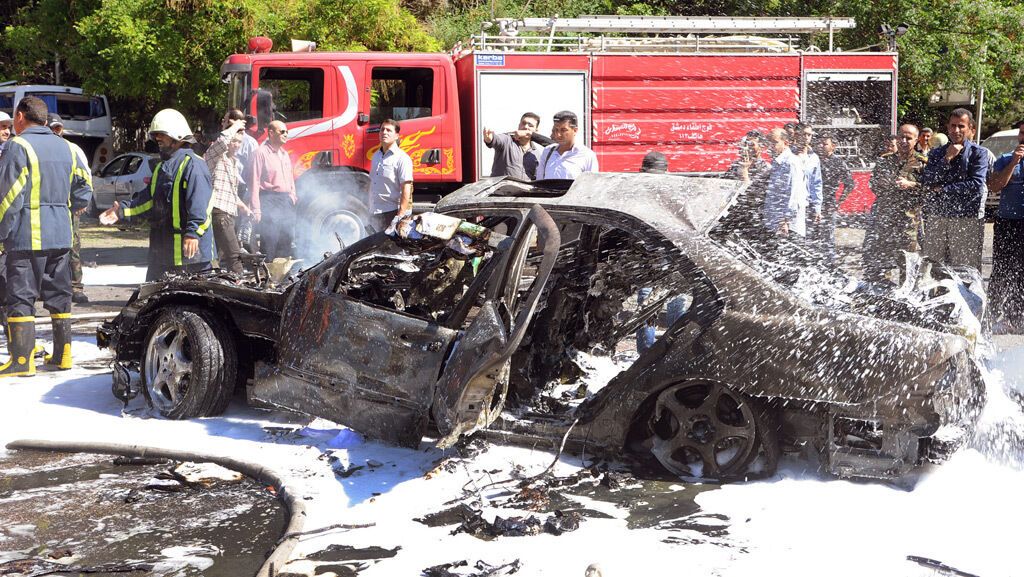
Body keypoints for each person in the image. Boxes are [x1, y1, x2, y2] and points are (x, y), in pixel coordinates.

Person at [0, 96, 91, 376]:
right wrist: (67, 209)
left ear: (19, 116)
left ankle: (22, 361)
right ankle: (63, 356)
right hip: (62, 236)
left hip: (27, 237)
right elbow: (84, 186)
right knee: (60, 296)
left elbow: (9, 196)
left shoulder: (19, 145)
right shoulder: (67, 146)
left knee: (21, 297)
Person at [101, 108, 214, 281]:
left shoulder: (194, 165)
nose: (157, 139)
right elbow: (150, 201)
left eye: (161, 134)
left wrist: (193, 233)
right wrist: (121, 211)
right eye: (155, 135)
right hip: (162, 255)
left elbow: (202, 206)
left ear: (177, 136)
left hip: (190, 258)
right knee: (152, 303)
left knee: (191, 306)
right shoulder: (163, 167)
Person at [920, 108, 988, 270]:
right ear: (948, 127)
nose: (956, 130)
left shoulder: (978, 154)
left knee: (964, 268)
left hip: (965, 218)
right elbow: (928, 180)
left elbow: (976, 185)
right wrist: (947, 158)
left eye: (961, 126)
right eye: (953, 126)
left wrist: (943, 189)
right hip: (937, 216)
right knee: (933, 266)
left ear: (971, 128)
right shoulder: (938, 153)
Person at [862, 126, 927, 283]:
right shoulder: (885, 160)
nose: (904, 141)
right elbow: (872, 185)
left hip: (908, 223)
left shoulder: (923, 163)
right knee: (881, 263)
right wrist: (881, 184)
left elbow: (931, 190)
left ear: (916, 140)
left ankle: (906, 300)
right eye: (901, 138)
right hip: (885, 221)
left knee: (908, 264)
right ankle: (883, 298)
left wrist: (912, 185)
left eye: (909, 138)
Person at [48, 114, 94, 304]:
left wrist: (81, 202)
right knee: (47, 247)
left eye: (58, 128)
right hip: (47, 207)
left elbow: (86, 177)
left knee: (72, 247)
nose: (55, 132)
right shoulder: (41, 149)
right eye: (52, 128)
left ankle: (76, 287)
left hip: (69, 208)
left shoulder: (72, 149)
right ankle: (49, 287)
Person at [986, 119, 1024, 331]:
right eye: (1021, 133)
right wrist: (1013, 164)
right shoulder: (1005, 159)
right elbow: (994, 186)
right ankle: (991, 313)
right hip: (1007, 222)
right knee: (1002, 269)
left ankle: (1016, 317)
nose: (1022, 136)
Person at [204, 119, 250, 275]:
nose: (236, 145)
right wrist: (235, 126)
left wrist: (243, 206)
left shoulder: (234, 162)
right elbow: (222, 140)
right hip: (219, 212)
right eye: (234, 141)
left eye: (239, 142)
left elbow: (230, 191)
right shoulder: (214, 156)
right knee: (234, 255)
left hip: (228, 213)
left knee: (215, 257)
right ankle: (240, 284)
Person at [248, 120, 296, 259]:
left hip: (286, 200)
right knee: (270, 239)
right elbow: (254, 182)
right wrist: (256, 208)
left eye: (287, 132)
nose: (285, 134)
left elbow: (290, 176)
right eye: (282, 131)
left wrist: (293, 195)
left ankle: (282, 274)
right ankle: (268, 274)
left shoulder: (284, 154)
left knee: (287, 238)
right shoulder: (260, 153)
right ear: (271, 133)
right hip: (269, 199)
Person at [813, 132, 856, 264]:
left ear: (833, 146)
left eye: (825, 144)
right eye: (820, 143)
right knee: (812, 236)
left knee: (827, 237)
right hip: (813, 204)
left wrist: (839, 202)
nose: (821, 146)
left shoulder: (838, 162)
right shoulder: (814, 159)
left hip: (828, 204)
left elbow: (850, 184)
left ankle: (829, 264)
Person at [368, 118, 413, 234]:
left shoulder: (402, 158)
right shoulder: (376, 156)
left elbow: (406, 189)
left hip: (391, 213)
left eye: (389, 130)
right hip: (375, 212)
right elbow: (372, 183)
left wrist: (400, 216)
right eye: (382, 130)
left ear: (397, 135)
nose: (384, 132)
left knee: (390, 250)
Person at [762, 127, 808, 238]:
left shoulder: (790, 163)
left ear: (786, 143)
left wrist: (785, 220)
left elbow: (793, 194)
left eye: (775, 143)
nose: (771, 147)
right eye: (769, 143)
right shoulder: (777, 162)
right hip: (775, 222)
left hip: (788, 226)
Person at [536, 110, 598, 179]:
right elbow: (539, 182)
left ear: (575, 130)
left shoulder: (587, 155)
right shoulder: (547, 151)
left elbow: (591, 186)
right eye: (556, 130)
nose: (558, 135)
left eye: (563, 130)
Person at [483, 112, 543, 180]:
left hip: (523, 190)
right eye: (523, 123)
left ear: (536, 130)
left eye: (530, 125)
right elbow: (497, 140)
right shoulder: (507, 140)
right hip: (501, 190)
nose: (526, 127)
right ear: (519, 125)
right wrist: (490, 139)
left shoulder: (536, 153)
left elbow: (536, 178)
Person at [793, 123, 824, 236]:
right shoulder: (789, 155)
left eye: (809, 135)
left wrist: (817, 208)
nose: (806, 137)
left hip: (808, 205)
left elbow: (816, 184)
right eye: (803, 134)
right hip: (792, 205)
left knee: (809, 241)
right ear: (796, 135)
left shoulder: (814, 158)